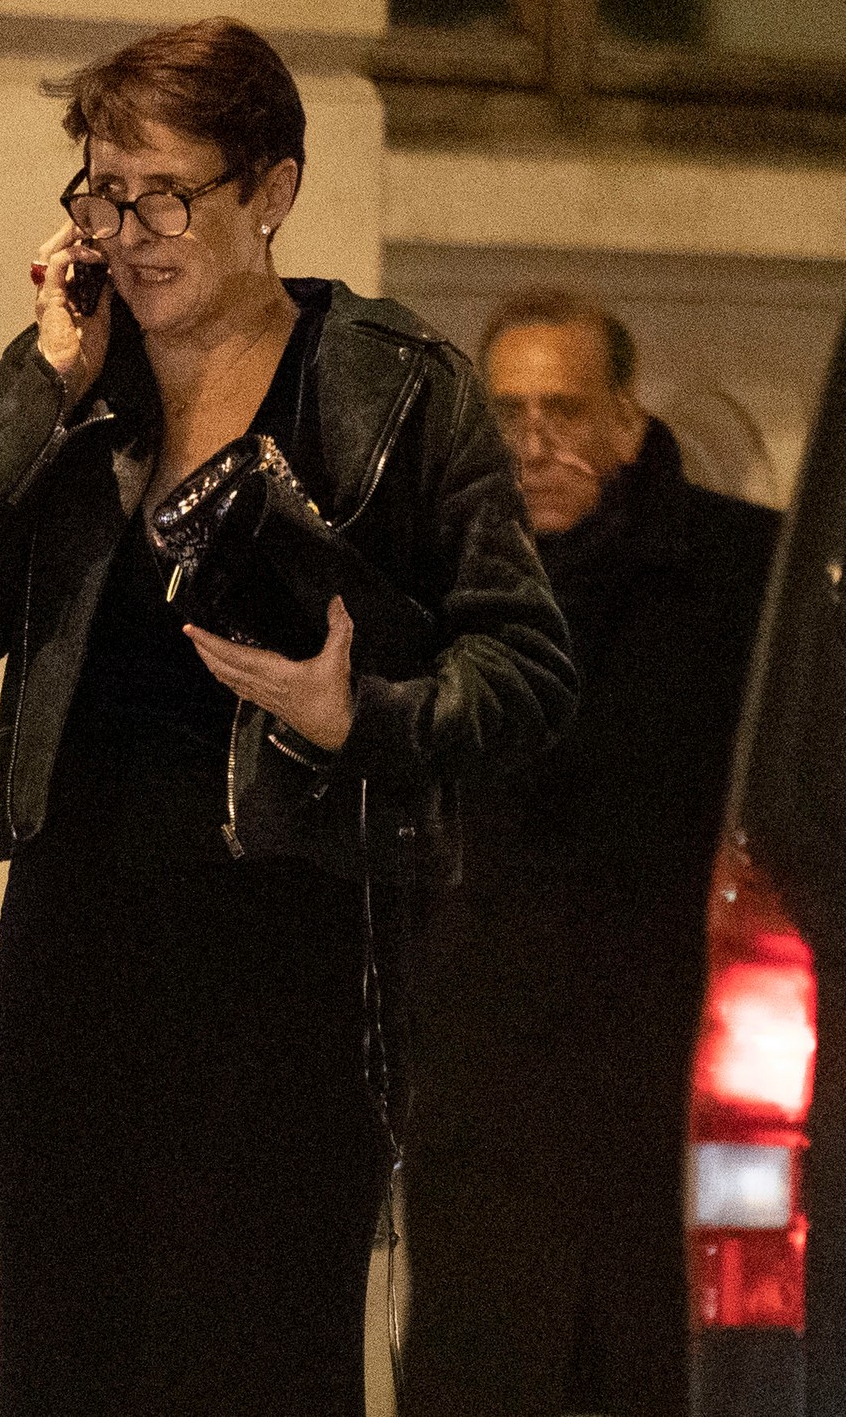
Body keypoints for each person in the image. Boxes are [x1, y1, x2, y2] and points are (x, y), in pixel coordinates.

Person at [0, 21, 575, 1417]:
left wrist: (359, 712)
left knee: (254, 1359)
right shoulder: (71, 383)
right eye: (99, 191)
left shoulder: (387, 386)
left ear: (273, 191)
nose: (127, 233)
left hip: (292, 962)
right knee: (70, 1358)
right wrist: (37, 394)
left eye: (164, 194)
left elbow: (530, 669)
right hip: (75, 953)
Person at [402, 286, 780, 1417]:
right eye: (509, 412)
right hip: (482, 1067)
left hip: (666, 1064)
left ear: (625, 418)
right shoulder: (433, 584)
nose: (535, 443)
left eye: (563, 410)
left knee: (657, 1363)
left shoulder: (734, 575)